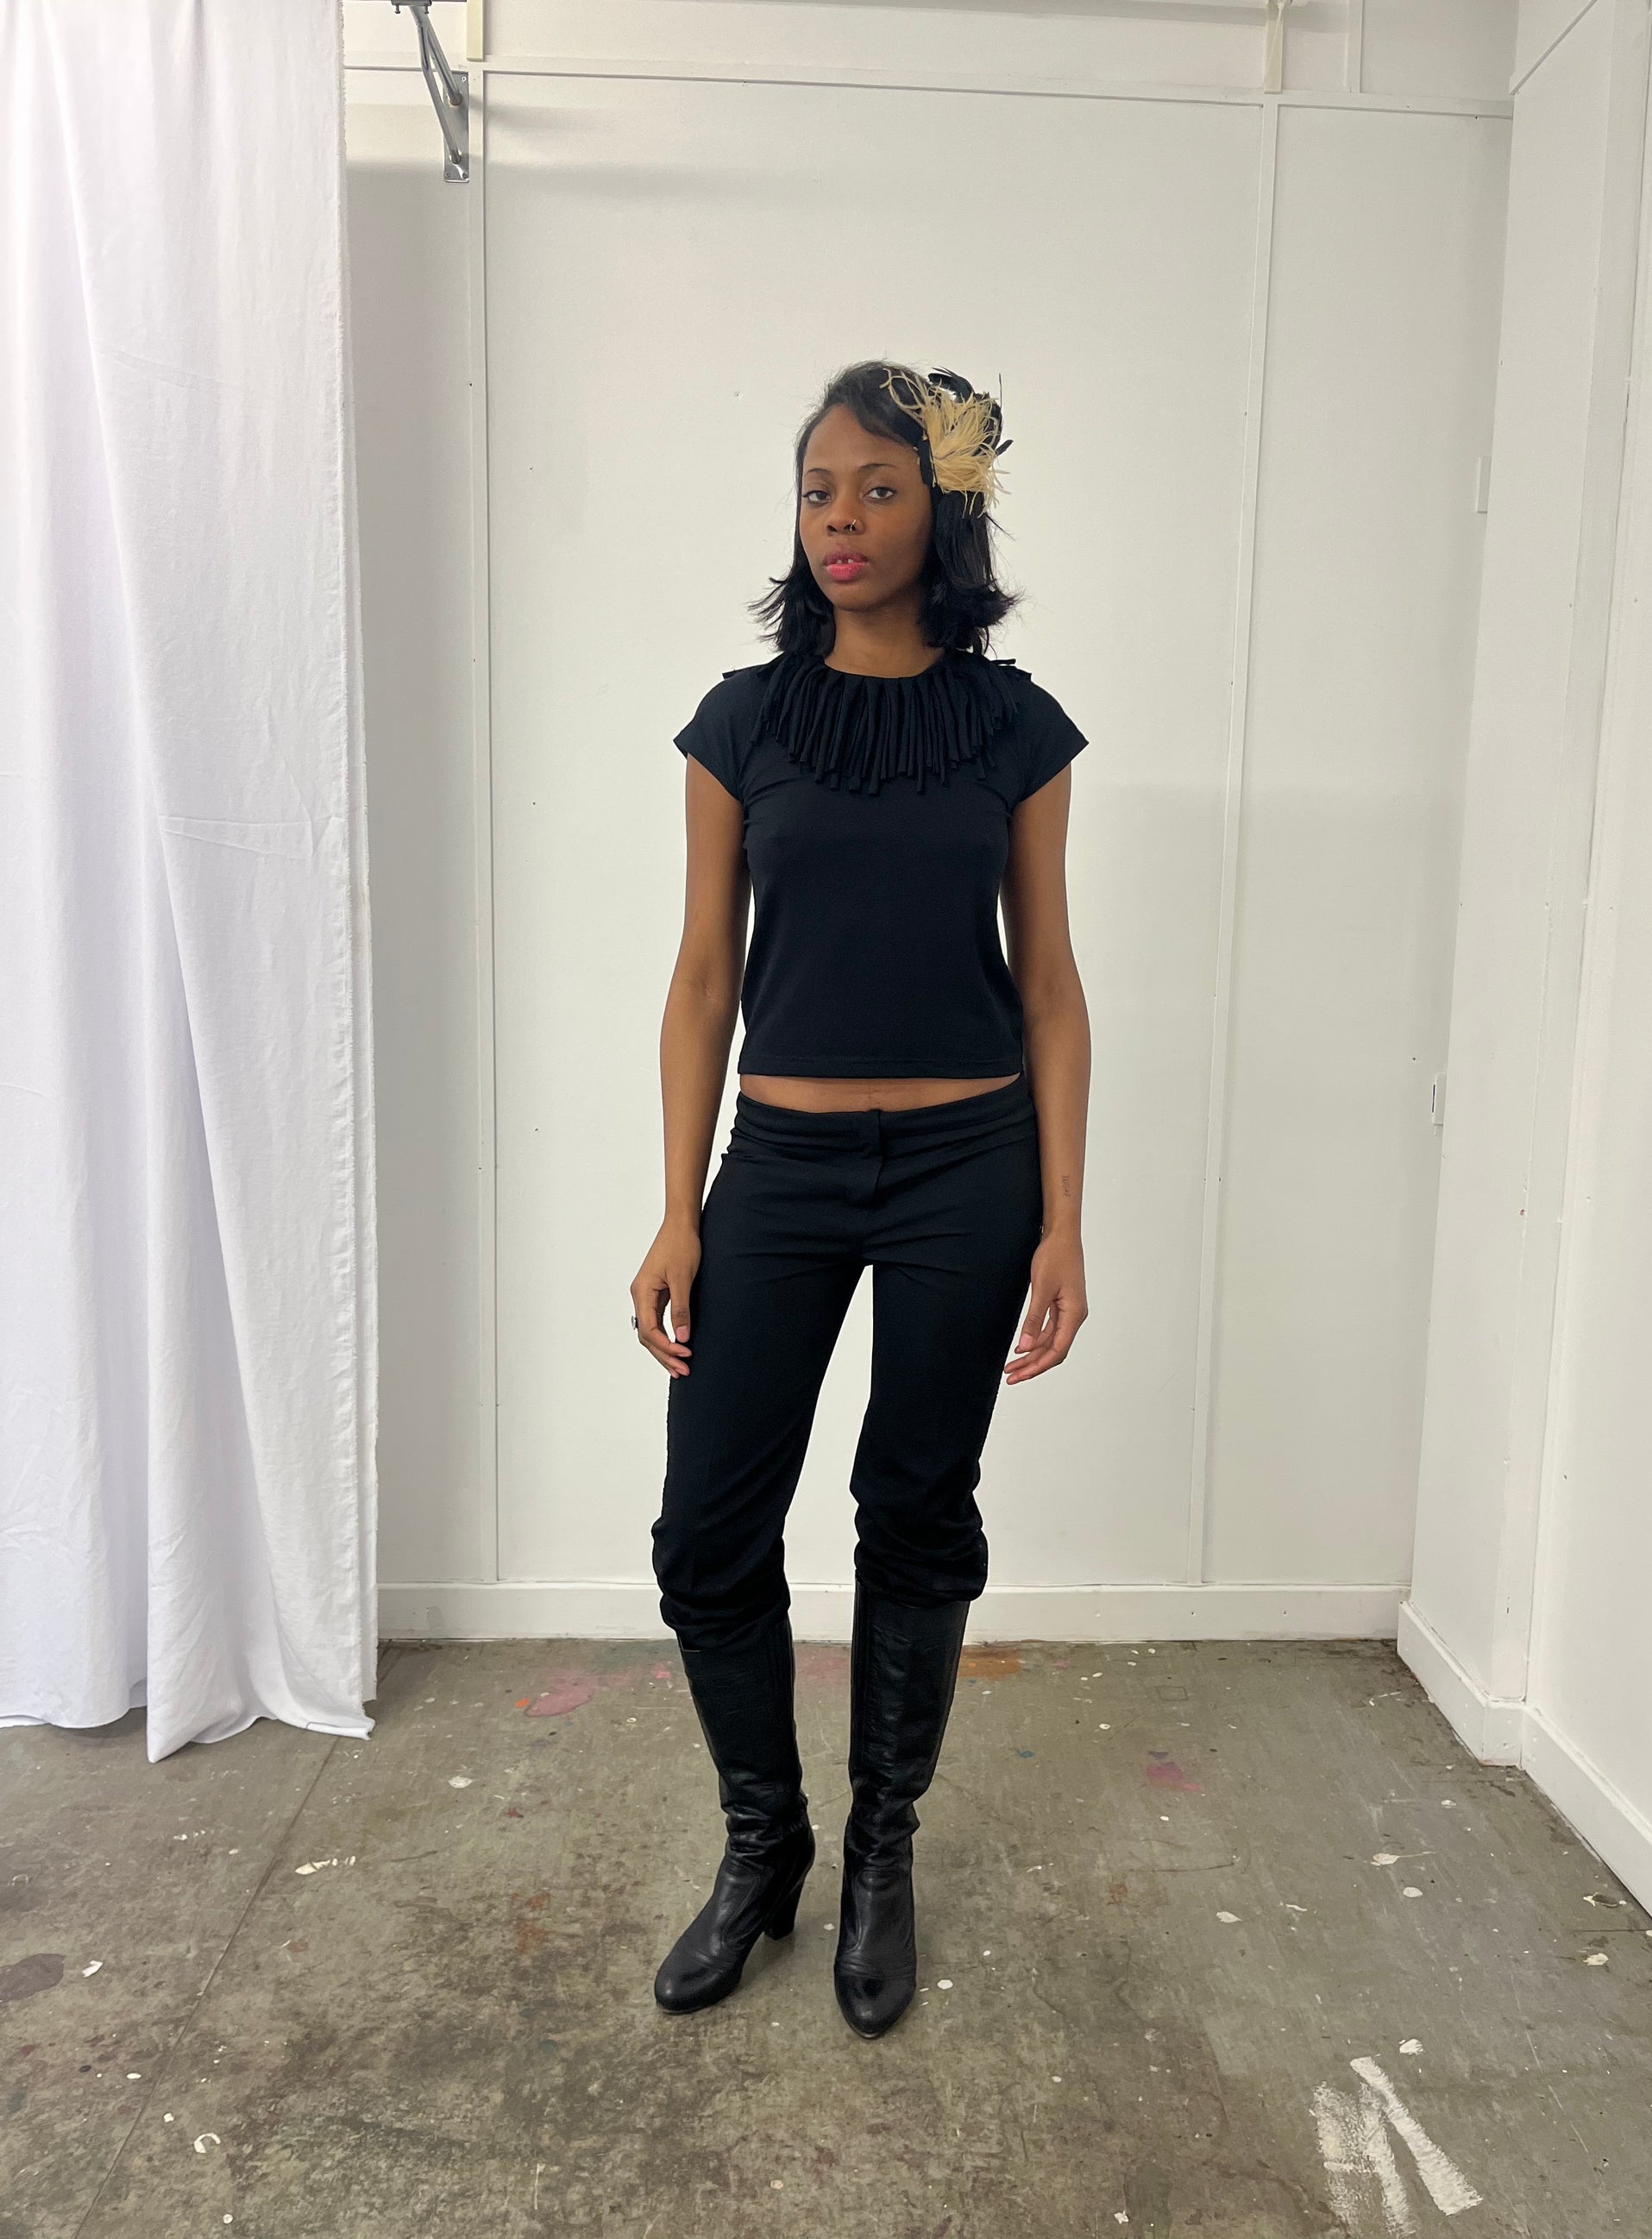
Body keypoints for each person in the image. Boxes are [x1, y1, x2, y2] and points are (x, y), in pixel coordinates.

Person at [631, 360, 1091, 2040]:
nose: (839, 516)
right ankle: (767, 1842)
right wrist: (678, 1206)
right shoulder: (741, 723)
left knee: (913, 1507)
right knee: (706, 1531)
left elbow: (1048, 983)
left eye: (877, 488)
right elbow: (702, 975)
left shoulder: (1014, 728)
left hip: (970, 1167)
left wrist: (1062, 1215)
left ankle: (881, 1852)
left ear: (941, 511)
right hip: (782, 1164)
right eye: (817, 487)